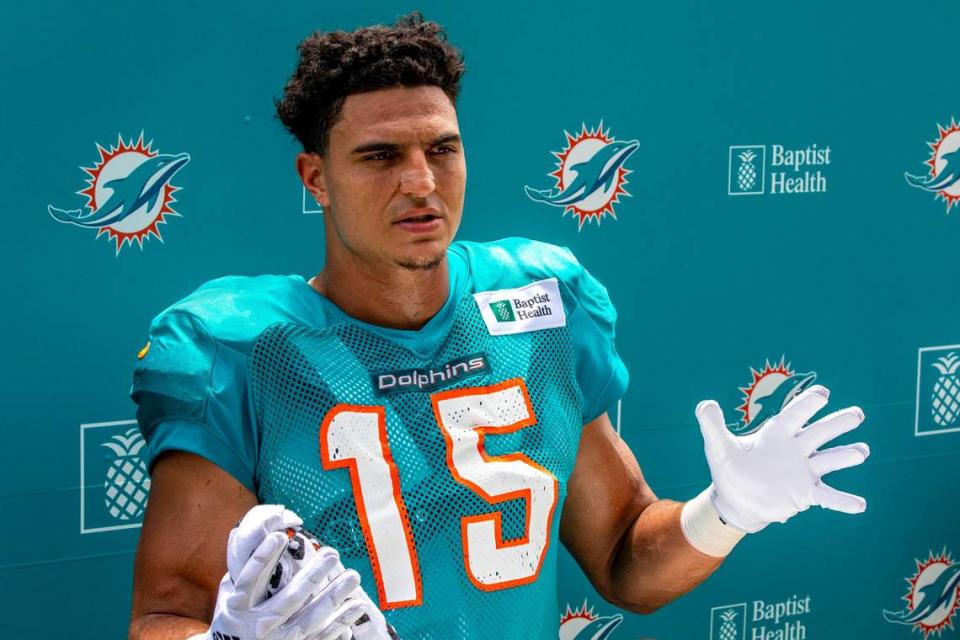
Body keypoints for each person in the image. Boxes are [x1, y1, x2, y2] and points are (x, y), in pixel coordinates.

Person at [127, 12, 869, 640]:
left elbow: (622, 559)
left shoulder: (542, 302)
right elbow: (166, 614)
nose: (420, 180)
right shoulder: (238, 348)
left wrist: (727, 512)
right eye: (380, 155)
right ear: (315, 177)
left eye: (441, 148)